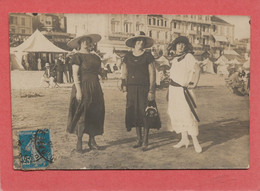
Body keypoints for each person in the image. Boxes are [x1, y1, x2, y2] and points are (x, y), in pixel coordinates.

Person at [121, 31, 161, 151]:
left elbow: (152, 74)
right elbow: (124, 72)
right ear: (133, 43)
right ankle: (138, 139)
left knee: (145, 114)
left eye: (142, 41)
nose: (140, 43)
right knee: (135, 113)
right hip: (132, 89)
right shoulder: (127, 57)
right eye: (138, 41)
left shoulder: (148, 56)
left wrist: (151, 91)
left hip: (144, 89)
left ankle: (145, 140)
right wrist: (123, 84)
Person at [67, 33, 105, 153]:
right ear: (79, 44)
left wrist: (101, 75)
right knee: (81, 113)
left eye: (88, 41)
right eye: (83, 41)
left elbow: (98, 71)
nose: (86, 43)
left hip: (95, 88)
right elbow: (75, 74)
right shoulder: (77, 56)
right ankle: (79, 141)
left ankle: (92, 140)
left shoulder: (96, 57)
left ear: (91, 43)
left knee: (94, 113)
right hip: (83, 87)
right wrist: (78, 90)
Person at [167, 36, 202, 153]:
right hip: (173, 91)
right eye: (179, 44)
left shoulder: (188, 57)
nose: (181, 46)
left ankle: (196, 142)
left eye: (183, 44)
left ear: (186, 46)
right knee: (176, 114)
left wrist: (194, 83)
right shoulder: (175, 59)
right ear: (175, 46)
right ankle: (184, 139)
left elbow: (197, 69)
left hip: (184, 92)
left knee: (187, 115)